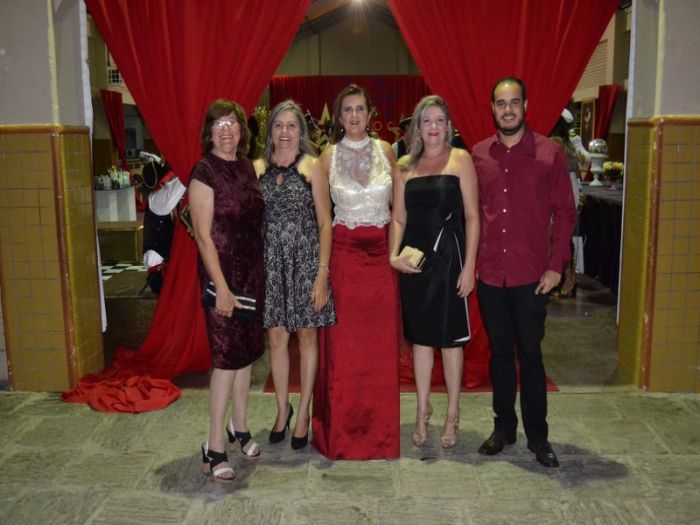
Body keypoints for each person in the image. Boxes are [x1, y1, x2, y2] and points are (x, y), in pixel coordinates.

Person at [472, 77, 576, 468]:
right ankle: (504, 428)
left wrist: (555, 265)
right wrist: (472, 264)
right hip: (490, 274)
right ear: (493, 108)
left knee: (530, 355)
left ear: (525, 106)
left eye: (514, 102)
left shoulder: (550, 153)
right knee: (500, 355)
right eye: (501, 103)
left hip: (532, 276)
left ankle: (538, 436)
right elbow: (472, 214)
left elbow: (565, 212)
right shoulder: (479, 155)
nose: (508, 109)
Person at [311, 84, 401, 460]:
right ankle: (341, 436)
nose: (353, 116)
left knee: (379, 350)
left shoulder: (386, 151)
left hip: (381, 261)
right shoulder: (326, 158)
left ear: (369, 113)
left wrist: (397, 252)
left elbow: (399, 211)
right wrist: (319, 272)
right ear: (339, 116)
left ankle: (381, 436)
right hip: (345, 261)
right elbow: (321, 221)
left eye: (359, 108)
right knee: (344, 351)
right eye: (347, 109)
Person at [390, 95, 479, 449]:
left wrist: (469, 266)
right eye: (426, 120)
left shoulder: (461, 159)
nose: (433, 127)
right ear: (417, 127)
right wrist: (392, 256)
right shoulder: (404, 166)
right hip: (415, 263)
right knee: (421, 340)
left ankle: (453, 413)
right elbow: (399, 218)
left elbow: (472, 216)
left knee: (450, 342)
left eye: (439, 120)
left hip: (450, 261)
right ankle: (421, 410)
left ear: (449, 126)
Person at [189, 99, 265, 483]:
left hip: (251, 275)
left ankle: (240, 425)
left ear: (241, 129)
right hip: (222, 277)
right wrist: (220, 287)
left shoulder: (247, 167)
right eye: (218, 124)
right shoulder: (204, 172)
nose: (226, 130)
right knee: (226, 360)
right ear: (209, 132)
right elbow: (203, 237)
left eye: (232, 123)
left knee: (246, 354)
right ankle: (215, 445)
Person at [253, 100, 336, 450]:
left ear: (301, 131)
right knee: (275, 337)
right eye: (278, 125)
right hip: (271, 266)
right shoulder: (256, 168)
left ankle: (303, 413)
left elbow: (325, 223)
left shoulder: (312, 166)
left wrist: (322, 275)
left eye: (291, 125)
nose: (284, 132)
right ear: (269, 131)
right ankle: (281, 409)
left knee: (306, 337)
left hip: (306, 263)